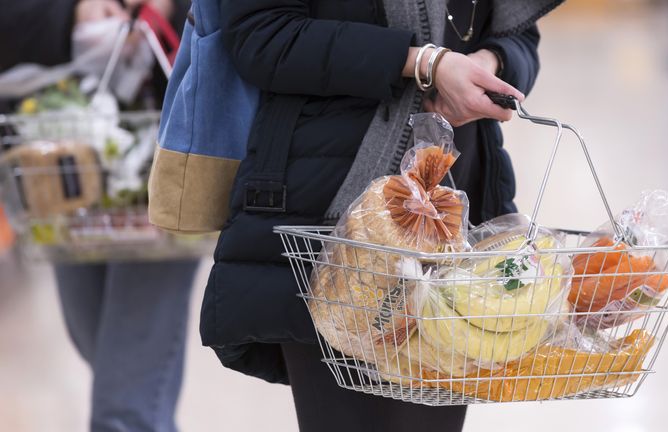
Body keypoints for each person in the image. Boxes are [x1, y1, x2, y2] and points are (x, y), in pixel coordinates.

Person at [199, 0, 562, 431]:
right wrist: (422, 63)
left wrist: (488, 64)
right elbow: (262, 33)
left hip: (458, 214)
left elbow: (516, 32)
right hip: (335, 217)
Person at [0, 1, 197, 431]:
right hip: (61, 171)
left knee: (124, 407)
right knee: (103, 353)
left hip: (168, 165)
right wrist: (71, 13)